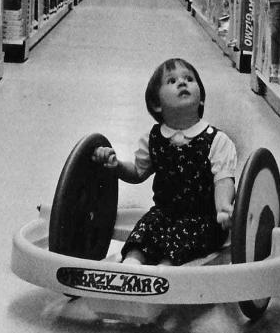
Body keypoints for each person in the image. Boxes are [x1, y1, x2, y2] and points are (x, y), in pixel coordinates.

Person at [92, 58, 237, 266]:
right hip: (164, 214)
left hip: (203, 220)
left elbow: (223, 180)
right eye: (171, 81)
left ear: (202, 99)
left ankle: (164, 272)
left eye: (189, 78)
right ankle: (131, 265)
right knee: (143, 233)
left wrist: (223, 207)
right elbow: (137, 172)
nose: (182, 83)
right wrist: (117, 167)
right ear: (156, 104)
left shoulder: (217, 140)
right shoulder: (153, 139)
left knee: (177, 248)